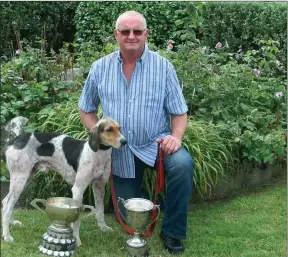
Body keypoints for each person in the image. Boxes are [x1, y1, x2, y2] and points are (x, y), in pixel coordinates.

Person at [78, 10, 194, 254]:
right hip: (119, 153)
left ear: (146, 34)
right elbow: (86, 109)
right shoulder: (99, 68)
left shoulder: (163, 67)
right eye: (125, 31)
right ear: (116, 35)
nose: (131, 36)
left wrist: (176, 137)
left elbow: (179, 112)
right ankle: (148, 208)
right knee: (127, 215)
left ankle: (173, 232)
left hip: (156, 145)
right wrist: (98, 136)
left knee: (182, 164)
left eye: (137, 31)